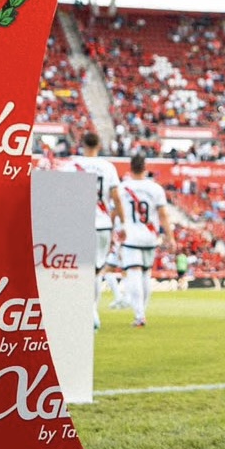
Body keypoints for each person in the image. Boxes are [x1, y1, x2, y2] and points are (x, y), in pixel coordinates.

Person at [69, 130, 124, 329]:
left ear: (82, 145)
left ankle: (86, 312)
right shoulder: (107, 167)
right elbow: (116, 198)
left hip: (78, 223)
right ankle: (92, 312)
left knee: (79, 270)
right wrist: (123, 224)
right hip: (101, 224)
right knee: (96, 271)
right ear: (99, 146)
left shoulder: (71, 166)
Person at [116, 153, 172, 327]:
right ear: (145, 168)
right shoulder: (155, 188)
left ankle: (139, 315)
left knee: (134, 272)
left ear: (130, 168)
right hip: (150, 236)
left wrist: (114, 231)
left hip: (131, 236)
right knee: (146, 274)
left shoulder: (122, 188)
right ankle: (143, 311)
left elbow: (115, 211)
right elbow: (163, 214)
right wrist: (170, 236)